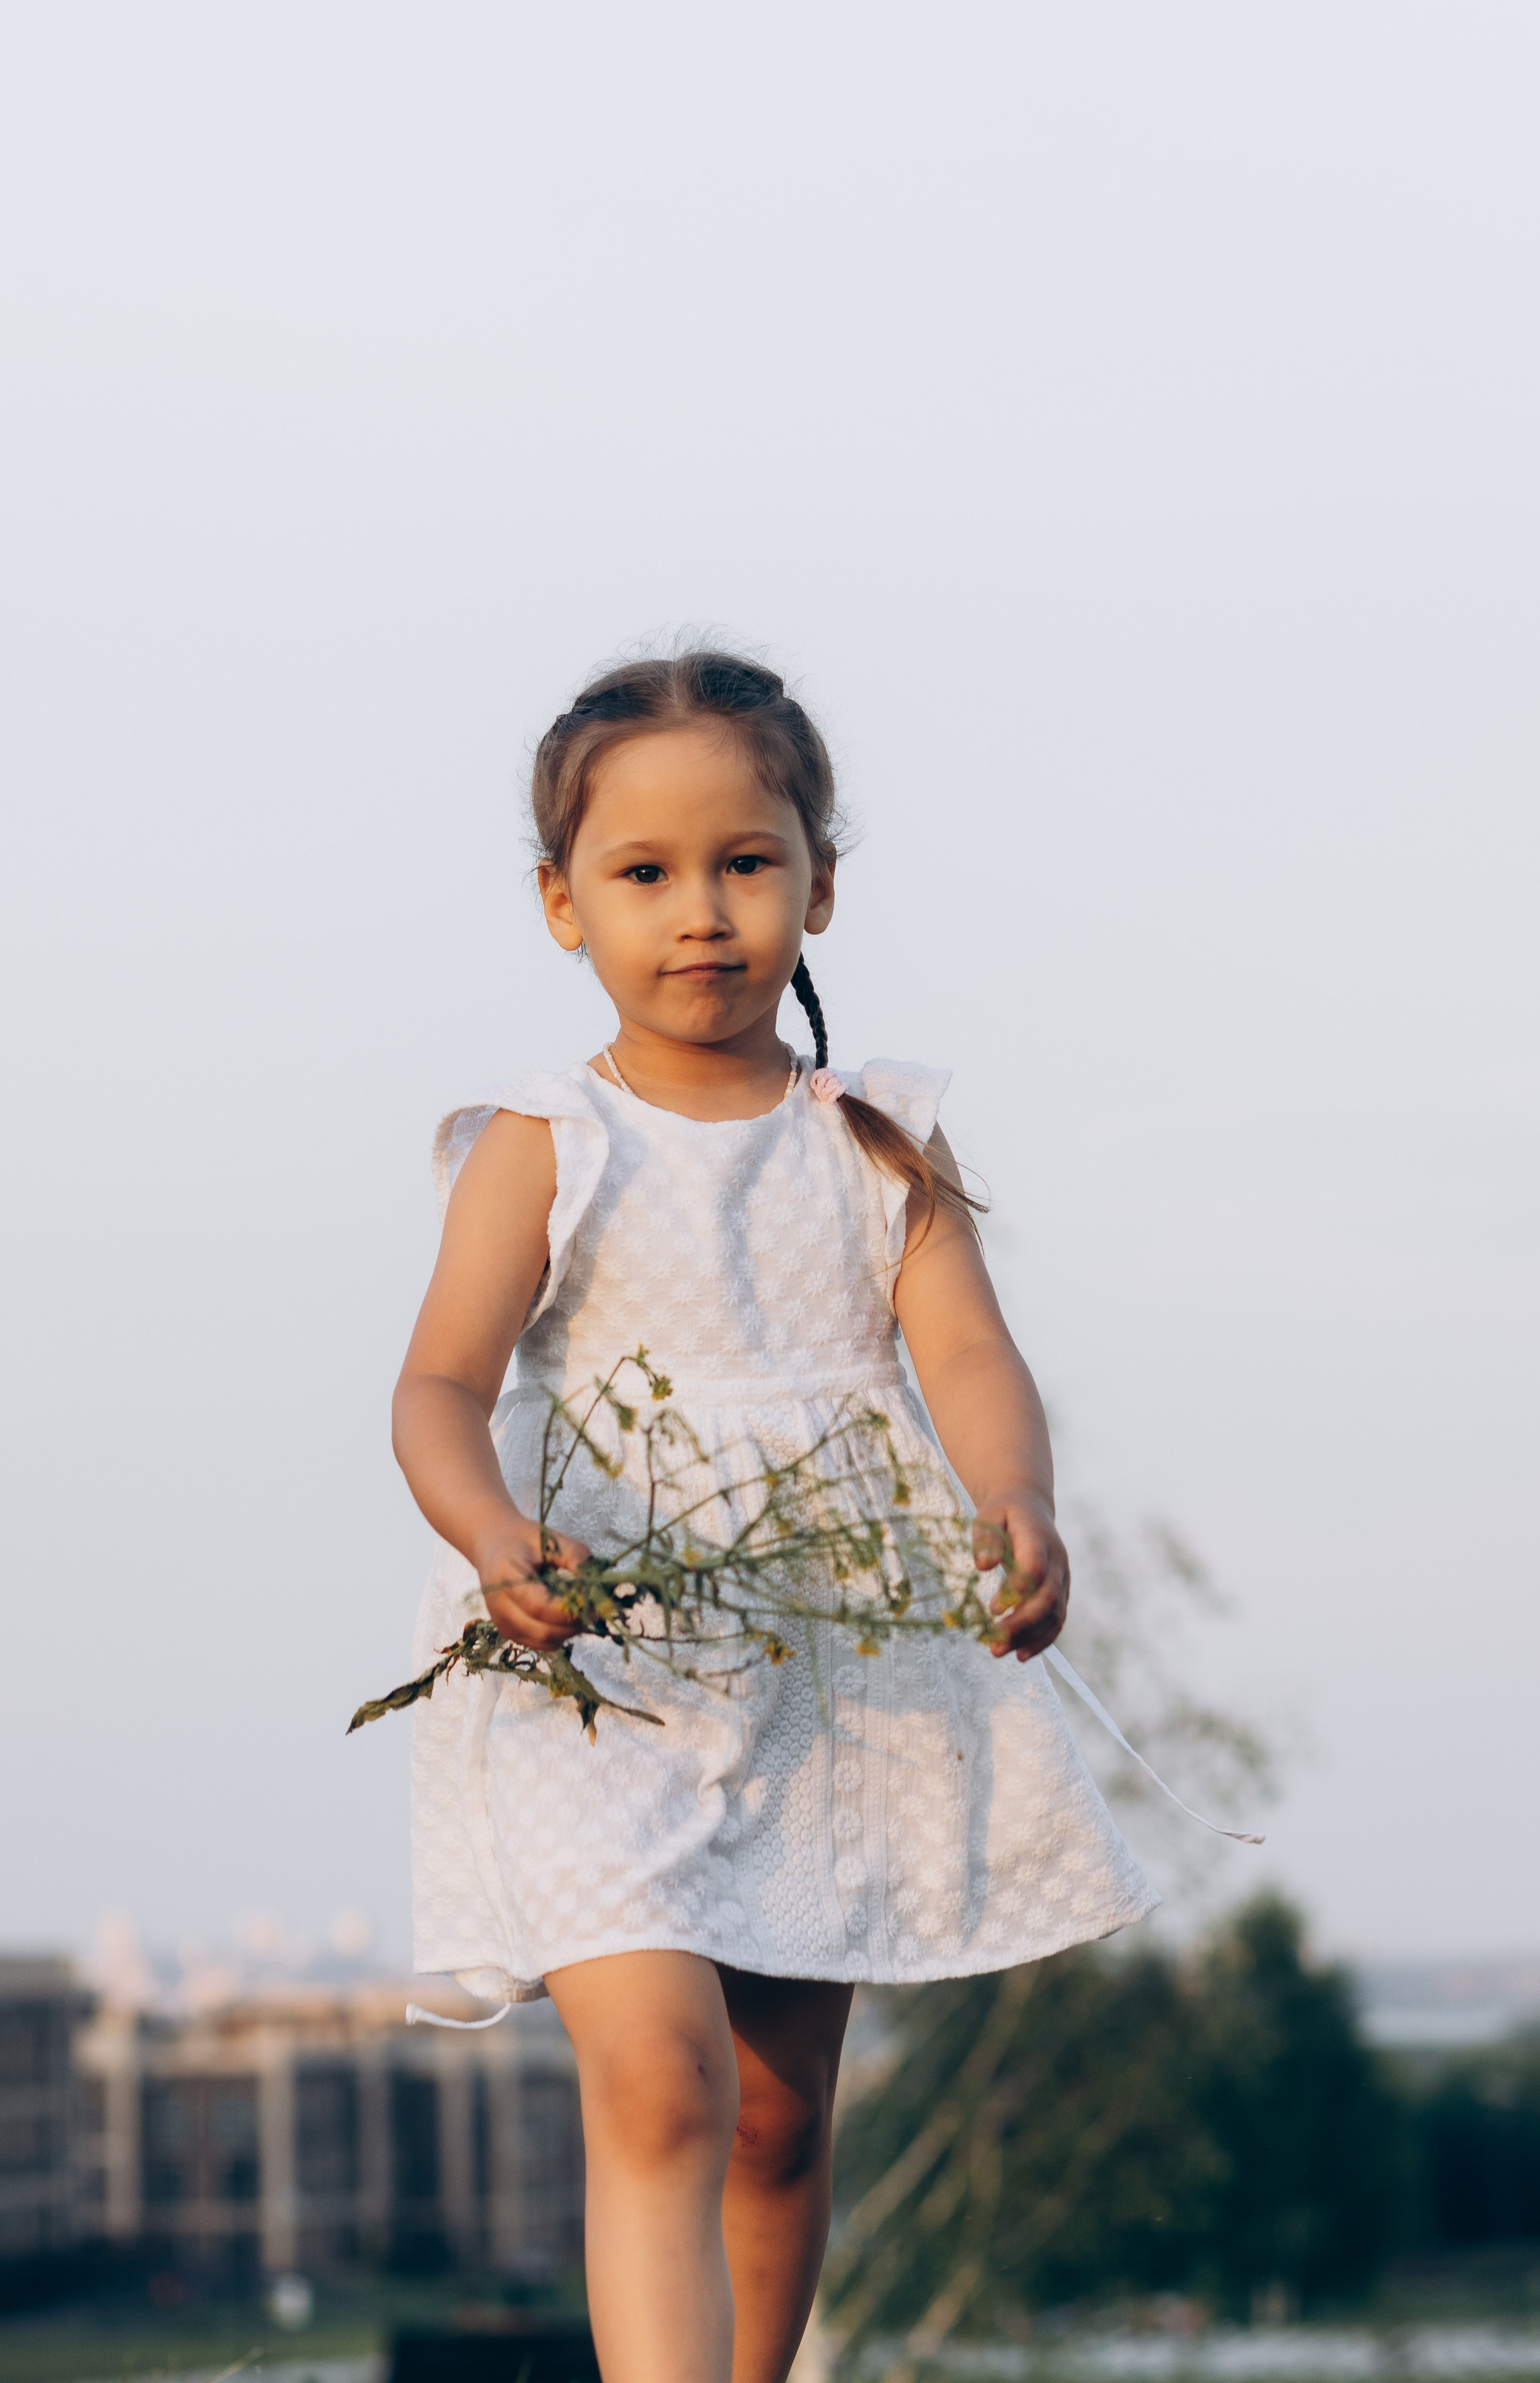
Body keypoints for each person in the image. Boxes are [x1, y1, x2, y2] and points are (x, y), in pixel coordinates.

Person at [393, 651, 1156, 2383]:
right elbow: (434, 1389)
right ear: (559, 902)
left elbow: (966, 1349)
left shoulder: (876, 1139)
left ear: (821, 879)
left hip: (823, 1669)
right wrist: (495, 1541)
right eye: (643, 873)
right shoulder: (547, 1141)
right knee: (659, 2080)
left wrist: (1016, 1499)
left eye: (748, 862)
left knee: (770, 2125)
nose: (703, 913)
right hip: (589, 1663)